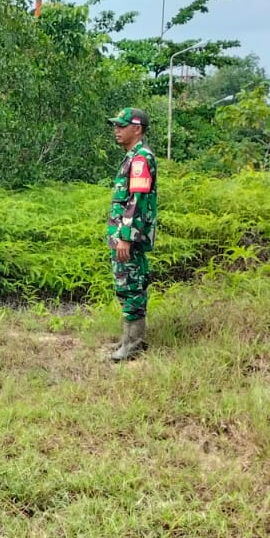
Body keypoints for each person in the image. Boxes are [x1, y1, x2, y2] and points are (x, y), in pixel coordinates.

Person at [106, 106, 158, 361]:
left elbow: (137, 200)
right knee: (124, 287)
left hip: (130, 238)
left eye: (121, 126)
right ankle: (128, 339)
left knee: (133, 286)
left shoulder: (140, 159)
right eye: (115, 125)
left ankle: (133, 344)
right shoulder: (131, 157)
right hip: (122, 236)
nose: (116, 130)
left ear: (136, 129)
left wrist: (126, 236)